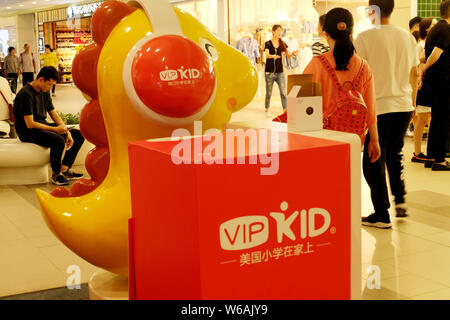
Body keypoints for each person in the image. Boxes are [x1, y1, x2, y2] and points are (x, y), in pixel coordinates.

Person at [355, 0, 419, 228]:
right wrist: (413, 103)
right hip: (403, 106)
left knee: (372, 160)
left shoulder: (364, 38)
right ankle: (400, 201)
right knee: (395, 154)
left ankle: (381, 213)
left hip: (379, 108)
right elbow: (414, 74)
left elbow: (360, 76)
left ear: (373, 10)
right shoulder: (407, 37)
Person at [303, 7, 381, 180]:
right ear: (351, 31)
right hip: (353, 142)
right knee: (346, 187)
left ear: (325, 32)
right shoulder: (364, 67)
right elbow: (371, 109)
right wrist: (374, 141)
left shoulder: (316, 65)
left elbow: (300, 110)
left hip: (321, 142)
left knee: (323, 188)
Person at [13, 67, 85, 186]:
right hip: (27, 131)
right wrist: (56, 130)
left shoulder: (44, 91)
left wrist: (66, 131)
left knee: (78, 135)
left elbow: (53, 113)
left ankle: (65, 168)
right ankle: (56, 174)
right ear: (41, 79)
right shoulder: (26, 94)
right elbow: (30, 123)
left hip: (41, 125)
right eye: (49, 85)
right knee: (58, 140)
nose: (50, 88)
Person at [421, 0, 450, 171]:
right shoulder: (446, 29)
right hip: (443, 82)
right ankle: (439, 159)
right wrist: (425, 68)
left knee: (437, 119)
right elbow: (436, 53)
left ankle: (431, 156)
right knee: (443, 120)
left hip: (435, 81)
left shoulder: (435, 29)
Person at [412, 18, 437, 163]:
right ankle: (417, 152)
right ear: (427, 28)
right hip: (422, 84)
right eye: (433, 25)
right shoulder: (422, 45)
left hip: (426, 84)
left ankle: (423, 151)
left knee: (425, 119)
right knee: (421, 120)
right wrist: (419, 80)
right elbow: (415, 63)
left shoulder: (428, 44)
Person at [264, 25, 298, 116]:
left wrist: (293, 54)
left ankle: (285, 110)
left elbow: (288, 55)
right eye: (278, 30)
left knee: (283, 92)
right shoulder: (267, 43)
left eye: (281, 31)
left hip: (280, 72)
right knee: (269, 92)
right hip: (269, 72)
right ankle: (267, 109)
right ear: (273, 32)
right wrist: (273, 56)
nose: (280, 32)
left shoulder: (283, 43)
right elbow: (266, 55)